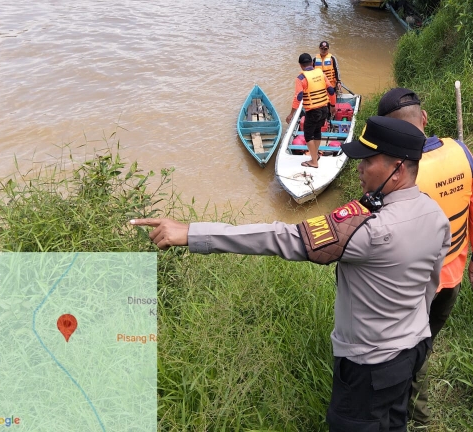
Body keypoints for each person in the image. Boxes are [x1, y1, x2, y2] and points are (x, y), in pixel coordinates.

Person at [133, 115, 450, 432]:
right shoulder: (435, 214)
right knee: (394, 420)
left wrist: (191, 233)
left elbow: (280, 237)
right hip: (414, 348)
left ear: (397, 169)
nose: (359, 167)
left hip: (370, 367)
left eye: (368, 160)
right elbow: (430, 286)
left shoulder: (370, 232)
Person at [378, 88, 473, 424]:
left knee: (410, 349)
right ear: (424, 119)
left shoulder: (396, 174)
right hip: (451, 276)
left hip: (412, 286)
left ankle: (416, 414)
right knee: (425, 339)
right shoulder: (462, 153)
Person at [286, 52, 336, 168]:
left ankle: (314, 162)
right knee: (317, 131)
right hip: (324, 109)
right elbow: (331, 90)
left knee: (308, 135)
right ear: (312, 63)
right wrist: (333, 106)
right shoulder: (321, 73)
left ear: (300, 65)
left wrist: (291, 114)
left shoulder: (301, 78)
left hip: (313, 111)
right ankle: (315, 155)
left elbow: (298, 97)